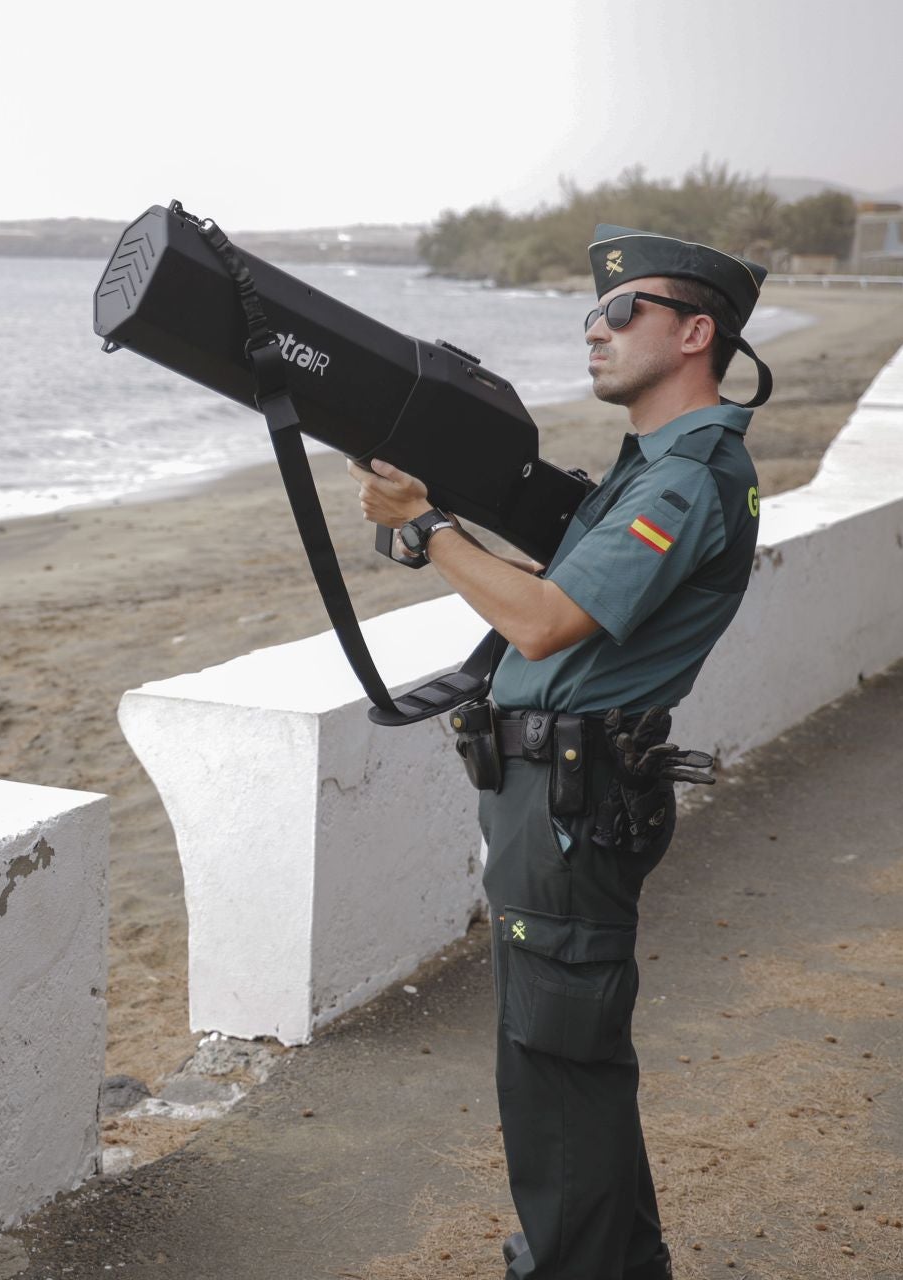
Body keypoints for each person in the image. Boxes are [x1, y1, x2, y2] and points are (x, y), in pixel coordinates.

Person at [346, 225, 770, 1280]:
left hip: (570, 802)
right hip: (550, 792)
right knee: (568, 1061)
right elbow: (541, 592)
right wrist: (424, 522)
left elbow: (540, 624)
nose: (596, 329)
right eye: (589, 313)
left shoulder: (687, 479)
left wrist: (434, 529)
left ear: (695, 333)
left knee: (555, 1068)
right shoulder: (650, 469)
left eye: (623, 311)